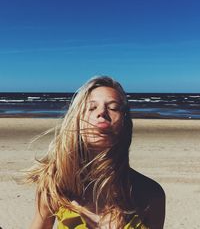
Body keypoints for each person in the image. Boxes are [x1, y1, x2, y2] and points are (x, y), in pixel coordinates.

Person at [26, 76, 165, 229]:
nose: (102, 113)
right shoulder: (55, 186)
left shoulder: (151, 194)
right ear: (76, 119)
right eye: (92, 107)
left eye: (113, 108)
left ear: (125, 123)